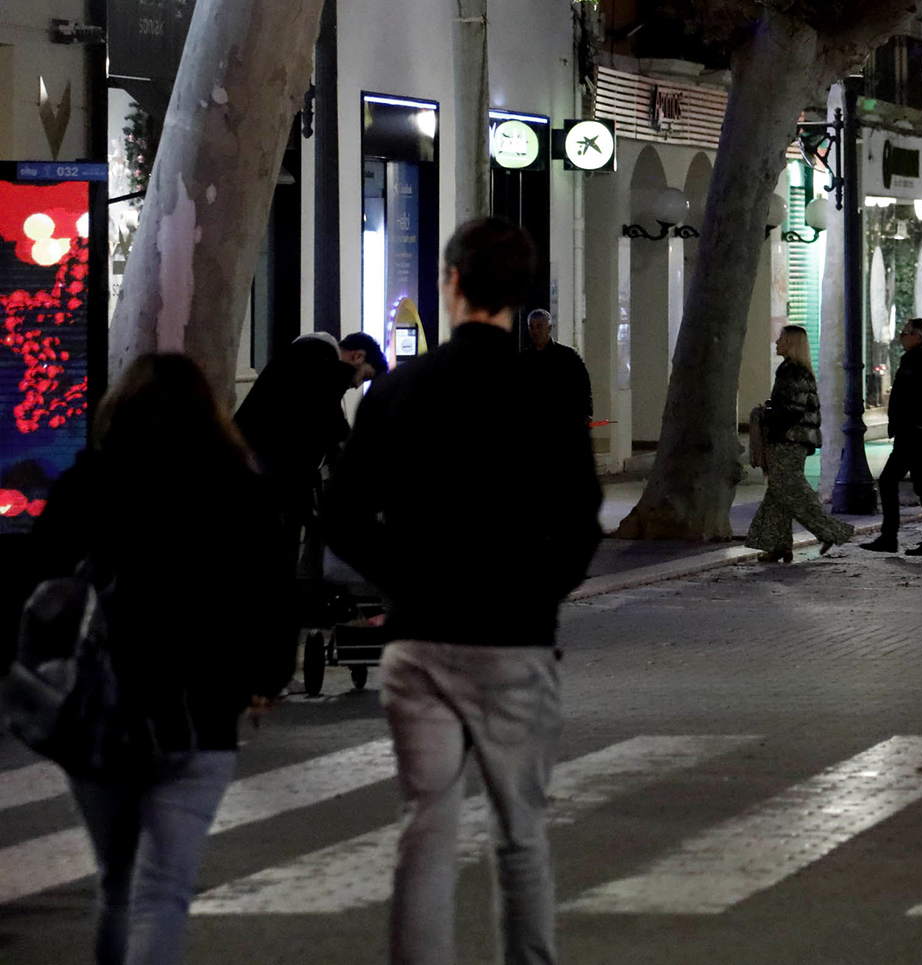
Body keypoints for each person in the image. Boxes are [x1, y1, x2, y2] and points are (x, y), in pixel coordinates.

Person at [325, 218, 602, 965]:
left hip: (420, 638)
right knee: (521, 834)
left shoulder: (401, 388)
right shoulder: (543, 394)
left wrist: (407, 577)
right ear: (520, 298)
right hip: (515, 639)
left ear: (451, 283)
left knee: (426, 828)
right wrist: (538, 589)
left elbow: (341, 515)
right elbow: (583, 522)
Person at [30, 354, 295, 965]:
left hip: (100, 711)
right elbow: (273, 596)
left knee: (117, 884)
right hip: (198, 715)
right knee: (163, 891)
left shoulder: (86, 486)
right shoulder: (241, 488)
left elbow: (34, 587)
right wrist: (264, 677)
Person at [235, 333, 357, 580]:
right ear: (358, 357)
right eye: (363, 376)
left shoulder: (301, 356)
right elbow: (325, 415)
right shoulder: (322, 361)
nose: (356, 385)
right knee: (280, 529)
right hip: (274, 464)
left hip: (263, 458)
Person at [746, 326, 854, 563]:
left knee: (792, 492)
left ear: (791, 344)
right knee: (778, 494)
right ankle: (780, 546)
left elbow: (792, 410)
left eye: (782, 339)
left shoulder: (793, 373)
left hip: (789, 440)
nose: (776, 342)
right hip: (791, 439)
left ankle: (831, 531)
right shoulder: (792, 371)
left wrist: (767, 413)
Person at [865, 317, 922, 555]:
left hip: (912, 433)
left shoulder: (916, 361)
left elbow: (908, 396)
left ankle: (891, 537)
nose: (901, 336)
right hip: (918, 431)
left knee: (890, 481)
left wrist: (903, 423)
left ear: (917, 337)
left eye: (905, 333)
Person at [519, 309, 593, 424]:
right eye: (531, 327)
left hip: (562, 418)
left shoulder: (568, 356)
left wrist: (586, 412)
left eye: (539, 326)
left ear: (549, 328)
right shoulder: (524, 359)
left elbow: (583, 385)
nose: (535, 331)